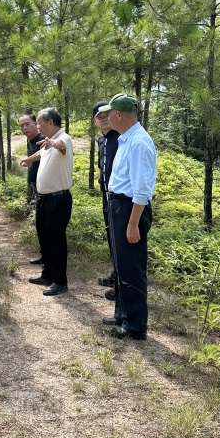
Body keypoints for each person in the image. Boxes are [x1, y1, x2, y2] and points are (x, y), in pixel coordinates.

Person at [97, 94, 157, 340]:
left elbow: (142, 189)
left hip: (130, 209)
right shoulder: (126, 139)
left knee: (131, 268)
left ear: (119, 115)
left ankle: (135, 325)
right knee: (121, 266)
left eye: (109, 114)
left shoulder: (139, 143)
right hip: (118, 206)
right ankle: (122, 314)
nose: (107, 118)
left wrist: (133, 224)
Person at [22, 107, 73, 296]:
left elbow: (60, 144)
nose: (38, 127)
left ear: (50, 122)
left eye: (40, 123)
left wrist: (53, 143)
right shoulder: (46, 142)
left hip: (58, 200)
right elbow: (40, 154)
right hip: (44, 200)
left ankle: (60, 281)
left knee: (56, 241)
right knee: (44, 238)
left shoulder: (63, 138)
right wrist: (29, 159)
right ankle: (47, 274)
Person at [93, 100, 120, 305]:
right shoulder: (101, 140)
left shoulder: (120, 137)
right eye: (99, 117)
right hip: (106, 195)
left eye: (106, 116)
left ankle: (121, 282)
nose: (103, 120)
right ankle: (116, 273)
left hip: (119, 196)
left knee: (119, 239)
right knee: (111, 235)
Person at [18, 112, 44, 265]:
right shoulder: (30, 141)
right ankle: (43, 254)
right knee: (39, 224)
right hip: (34, 187)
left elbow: (44, 154)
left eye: (27, 124)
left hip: (44, 189)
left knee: (43, 224)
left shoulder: (41, 140)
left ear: (36, 124)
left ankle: (46, 256)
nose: (24, 128)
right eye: (21, 126)